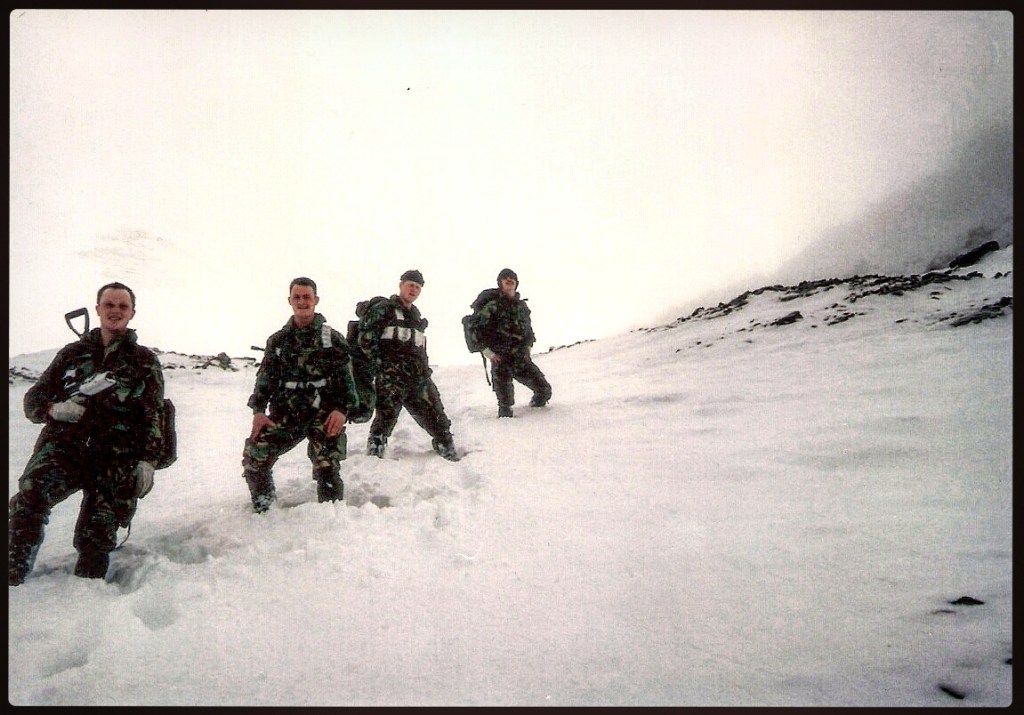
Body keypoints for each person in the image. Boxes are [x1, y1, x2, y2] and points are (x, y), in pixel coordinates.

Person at [8, 282, 168, 585]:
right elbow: (32, 402)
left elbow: (153, 415)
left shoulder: (144, 360)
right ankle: (12, 576)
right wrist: (55, 409)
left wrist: (148, 461)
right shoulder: (71, 354)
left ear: (132, 313)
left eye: (122, 306)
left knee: (98, 528)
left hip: (115, 456)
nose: (115, 311)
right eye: (109, 304)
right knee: (31, 496)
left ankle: (87, 593)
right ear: (98, 309)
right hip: (65, 448)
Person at [241, 277, 359, 513]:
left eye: (307, 297)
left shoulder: (332, 339)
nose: (302, 302)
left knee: (327, 463)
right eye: (297, 297)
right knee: (255, 453)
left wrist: (341, 410)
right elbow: (265, 379)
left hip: (323, 414)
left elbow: (347, 381)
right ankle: (264, 508)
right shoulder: (278, 341)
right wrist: (258, 411)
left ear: (316, 300)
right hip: (286, 413)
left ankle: (331, 513)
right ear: (289, 300)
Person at [358, 269, 460, 461]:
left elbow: (418, 346)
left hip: (417, 376)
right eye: (410, 285)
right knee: (386, 416)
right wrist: (383, 366)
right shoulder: (384, 309)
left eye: (417, 287)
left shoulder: (415, 316)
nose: (413, 290)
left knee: (436, 414)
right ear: (401, 285)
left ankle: (445, 446)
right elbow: (366, 339)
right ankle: (375, 451)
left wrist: (425, 369)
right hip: (392, 376)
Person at [472, 268, 552, 418]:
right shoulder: (493, 306)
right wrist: (488, 353)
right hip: (500, 359)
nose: (509, 280)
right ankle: (506, 427)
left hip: (520, 357)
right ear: (500, 283)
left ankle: (538, 416)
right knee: (505, 405)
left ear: (516, 283)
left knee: (544, 390)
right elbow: (477, 331)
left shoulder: (522, 307)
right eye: (505, 278)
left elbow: (528, 330)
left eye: (512, 278)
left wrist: (528, 347)